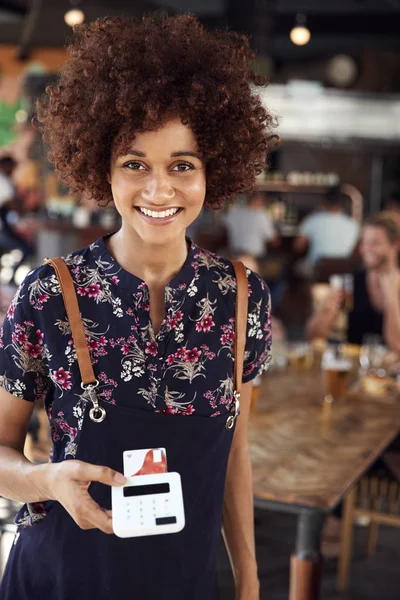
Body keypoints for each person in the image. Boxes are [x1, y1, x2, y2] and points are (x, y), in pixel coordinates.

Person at [0, 13, 274, 600]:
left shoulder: (242, 299)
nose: (158, 190)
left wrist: (249, 583)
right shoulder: (50, 293)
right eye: (134, 164)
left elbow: (234, 452)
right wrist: (43, 478)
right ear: (102, 166)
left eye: (182, 165)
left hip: (183, 582)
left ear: (213, 171)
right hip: (59, 579)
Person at [306, 212, 400, 351]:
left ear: (395, 245)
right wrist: (326, 309)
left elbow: (397, 346)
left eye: (374, 243)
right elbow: (313, 337)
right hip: (354, 367)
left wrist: (391, 297)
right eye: (364, 242)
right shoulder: (352, 281)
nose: (366, 249)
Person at [294, 185, 360, 273]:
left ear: (323, 202)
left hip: (316, 269)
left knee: (296, 267)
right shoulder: (353, 225)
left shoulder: (312, 220)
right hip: (343, 270)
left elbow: (298, 247)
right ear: (341, 203)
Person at [0, 156, 34, 284]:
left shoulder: (5, 180)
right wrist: (25, 208)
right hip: (2, 228)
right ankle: (11, 279)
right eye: (12, 167)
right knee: (26, 248)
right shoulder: (2, 181)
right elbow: (11, 203)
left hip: (4, 226)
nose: (13, 170)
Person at [222, 191, 277, 258]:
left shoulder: (234, 213)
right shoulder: (261, 215)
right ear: (259, 201)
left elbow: (222, 226)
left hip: (235, 255)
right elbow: (272, 239)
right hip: (254, 257)